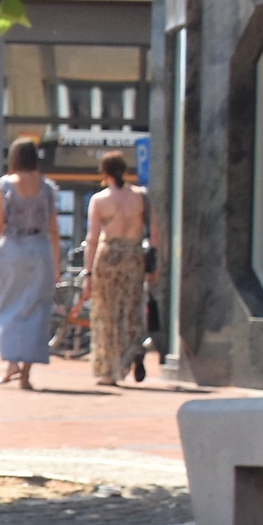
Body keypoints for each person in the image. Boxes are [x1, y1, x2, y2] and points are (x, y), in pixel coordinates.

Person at [0, 138, 60, 387]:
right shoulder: (47, 188)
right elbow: (54, 229)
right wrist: (56, 263)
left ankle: (11, 363)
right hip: (40, 249)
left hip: (12, 250)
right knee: (37, 307)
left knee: (7, 305)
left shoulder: (5, 186)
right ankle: (25, 371)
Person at [81, 152, 149, 386]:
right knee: (130, 309)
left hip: (109, 256)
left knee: (106, 315)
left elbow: (92, 238)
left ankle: (109, 370)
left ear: (105, 173)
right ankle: (132, 350)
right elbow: (156, 234)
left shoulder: (100, 200)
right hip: (133, 256)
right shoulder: (140, 197)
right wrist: (154, 266)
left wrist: (88, 272)